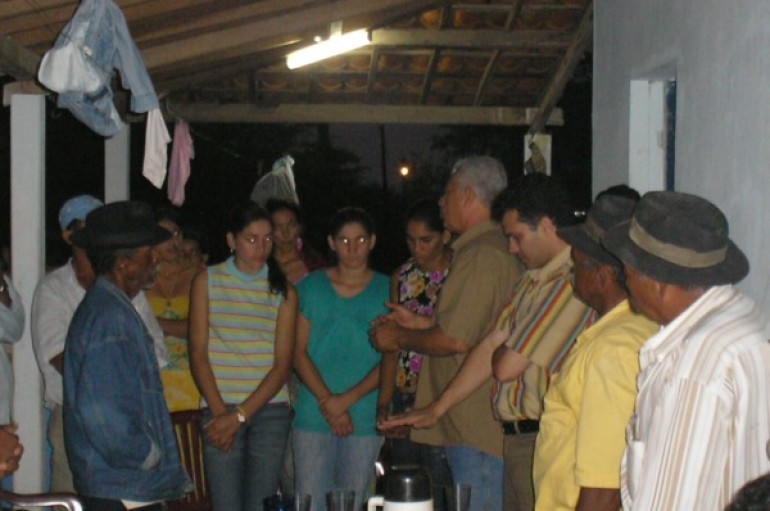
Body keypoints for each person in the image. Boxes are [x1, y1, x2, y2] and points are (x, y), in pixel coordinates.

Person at [379, 173, 594, 511]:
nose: (511, 248)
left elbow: (504, 365)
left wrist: (499, 345)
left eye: (517, 237)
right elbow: (487, 345)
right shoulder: (532, 280)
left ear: (548, 226)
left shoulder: (571, 280)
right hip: (517, 436)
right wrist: (436, 408)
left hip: (547, 435)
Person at [371, 156, 523, 511]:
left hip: (476, 428)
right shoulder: (483, 250)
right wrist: (420, 324)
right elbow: (478, 329)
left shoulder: (482, 255)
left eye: (448, 192)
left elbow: (455, 340)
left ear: (468, 196)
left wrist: (399, 339)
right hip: (471, 422)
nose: (441, 202)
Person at [602, 191, 770, 511]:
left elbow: (670, 503)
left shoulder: (692, 369)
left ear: (658, 283)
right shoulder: (745, 317)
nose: (626, 284)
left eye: (629, 274)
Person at [31, 194, 168, 493]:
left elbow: (156, 354)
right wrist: (145, 453)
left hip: (127, 427)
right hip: (93, 429)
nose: (155, 258)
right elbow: (80, 375)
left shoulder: (122, 297)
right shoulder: (79, 299)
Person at [532, 193, 658, 511]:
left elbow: (604, 486)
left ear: (602, 276)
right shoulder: (633, 329)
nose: (571, 275)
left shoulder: (612, 350)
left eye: (576, 266)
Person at [63, 201, 191, 511]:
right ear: (123, 264)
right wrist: (146, 455)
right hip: (122, 487)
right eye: (149, 254)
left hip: (119, 485)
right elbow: (102, 413)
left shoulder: (110, 309)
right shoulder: (110, 319)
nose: (156, 260)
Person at [189, 202, 297, 511]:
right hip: (219, 406)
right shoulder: (206, 281)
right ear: (231, 241)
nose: (261, 247)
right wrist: (222, 413)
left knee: (259, 504)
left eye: (267, 239)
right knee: (225, 504)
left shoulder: (284, 291)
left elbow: (282, 365)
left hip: (269, 410)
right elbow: (198, 352)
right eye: (251, 238)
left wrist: (240, 416)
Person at [292, 207, 389, 511]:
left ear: (372, 241)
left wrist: (346, 400)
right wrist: (329, 402)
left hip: (363, 413)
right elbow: (297, 351)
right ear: (331, 243)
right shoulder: (310, 287)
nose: (352, 248)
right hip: (314, 413)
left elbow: (391, 357)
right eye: (344, 241)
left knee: (355, 501)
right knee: (310, 501)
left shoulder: (390, 289)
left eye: (360, 239)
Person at [376, 198, 453, 508]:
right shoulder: (403, 276)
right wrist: (385, 401)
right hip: (406, 392)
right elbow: (393, 343)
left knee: (442, 486)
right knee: (407, 490)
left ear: (444, 236)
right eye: (410, 240)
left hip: (441, 393)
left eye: (425, 240)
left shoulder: (461, 270)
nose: (417, 248)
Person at [146, 208, 203, 412]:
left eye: (177, 233)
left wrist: (156, 324)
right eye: (164, 235)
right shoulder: (139, 278)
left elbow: (201, 329)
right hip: (153, 381)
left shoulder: (199, 276)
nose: (173, 240)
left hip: (193, 378)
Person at [267, 199, 326, 283]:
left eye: (291, 225)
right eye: (278, 227)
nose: (285, 233)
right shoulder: (260, 265)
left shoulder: (315, 265)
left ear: (299, 227)